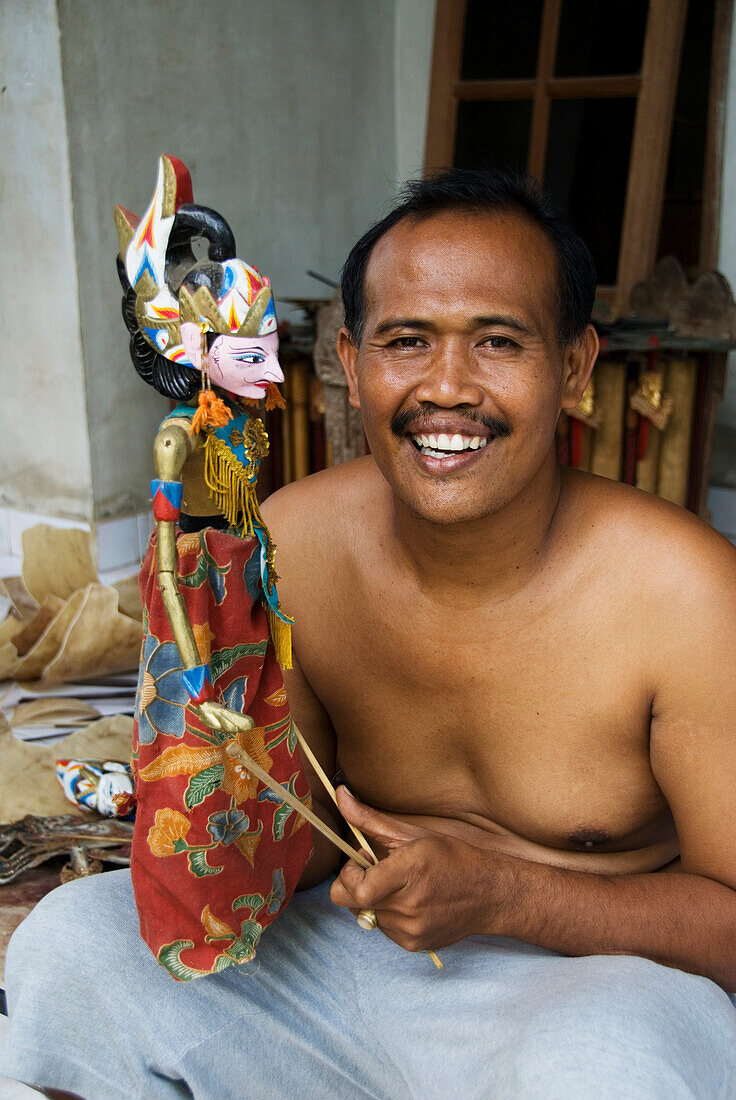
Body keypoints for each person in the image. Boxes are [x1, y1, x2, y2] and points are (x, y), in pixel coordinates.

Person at [2, 168, 736, 1098]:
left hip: (594, 984)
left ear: (575, 368)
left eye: (499, 341)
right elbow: (297, 849)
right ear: (349, 362)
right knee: (75, 947)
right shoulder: (293, 545)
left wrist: (504, 893)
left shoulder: (687, 592)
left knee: (603, 1072)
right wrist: (211, 796)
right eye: (406, 341)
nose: (447, 389)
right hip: (351, 961)